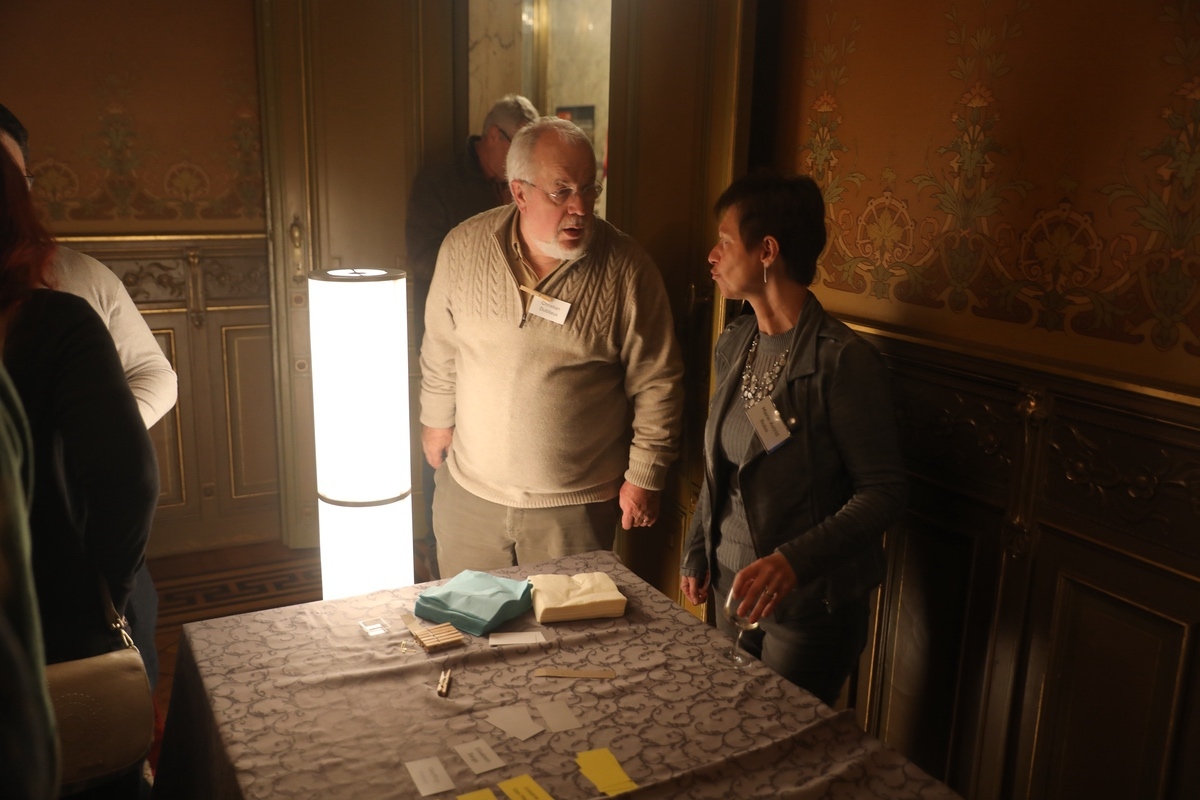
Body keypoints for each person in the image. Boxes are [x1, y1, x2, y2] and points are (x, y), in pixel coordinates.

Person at [420, 117, 684, 579]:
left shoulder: (628, 269)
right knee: (468, 622)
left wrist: (646, 473)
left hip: (575, 510)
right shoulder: (462, 248)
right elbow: (440, 347)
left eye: (589, 189)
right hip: (470, 497)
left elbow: (658, 382)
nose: (580, 207)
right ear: (519, 193)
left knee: (569, 628)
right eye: (561, 192)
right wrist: (435, 420)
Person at [679, 173, 906, 706]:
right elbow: (721, 461)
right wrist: (697, 548)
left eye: (725, 241)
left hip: (809, 607)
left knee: (781, 743)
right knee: (728, 731)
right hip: (731, 588)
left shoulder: (842, 362)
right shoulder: (735, 341)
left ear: (767, 251)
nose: (712, 255)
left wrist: (793, 561)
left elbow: (885, 493)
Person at [1, 128, 159, 798]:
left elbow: (157, 378)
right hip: (57, 607)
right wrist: (105, 592)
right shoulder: (51, 321)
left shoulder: (80, 288)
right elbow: (129, 482)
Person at [405, 94, 538, 580]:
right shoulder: (440, 181)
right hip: (455, 335)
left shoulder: (524, 184)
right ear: (493, 137)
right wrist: (476, 268)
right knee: (444, 442)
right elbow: (420, 255)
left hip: (516, 339)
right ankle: (437, 548)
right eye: (518, 143)